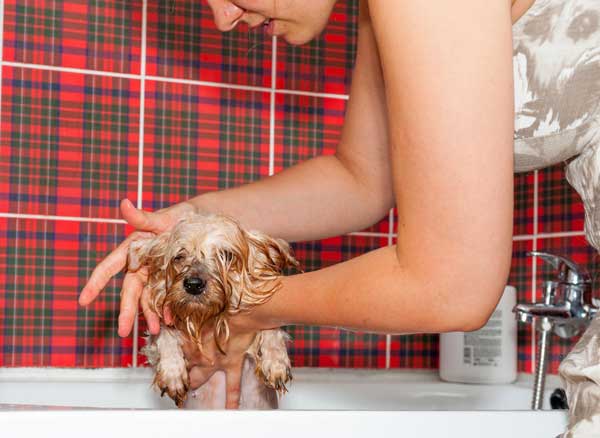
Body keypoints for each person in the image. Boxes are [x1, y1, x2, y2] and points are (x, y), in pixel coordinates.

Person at [78, 0, 564, 408]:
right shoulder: (381, 13)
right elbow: (362, 180)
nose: (223, 18)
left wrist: (252, 306)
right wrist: (190, 218)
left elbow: (452, 286)